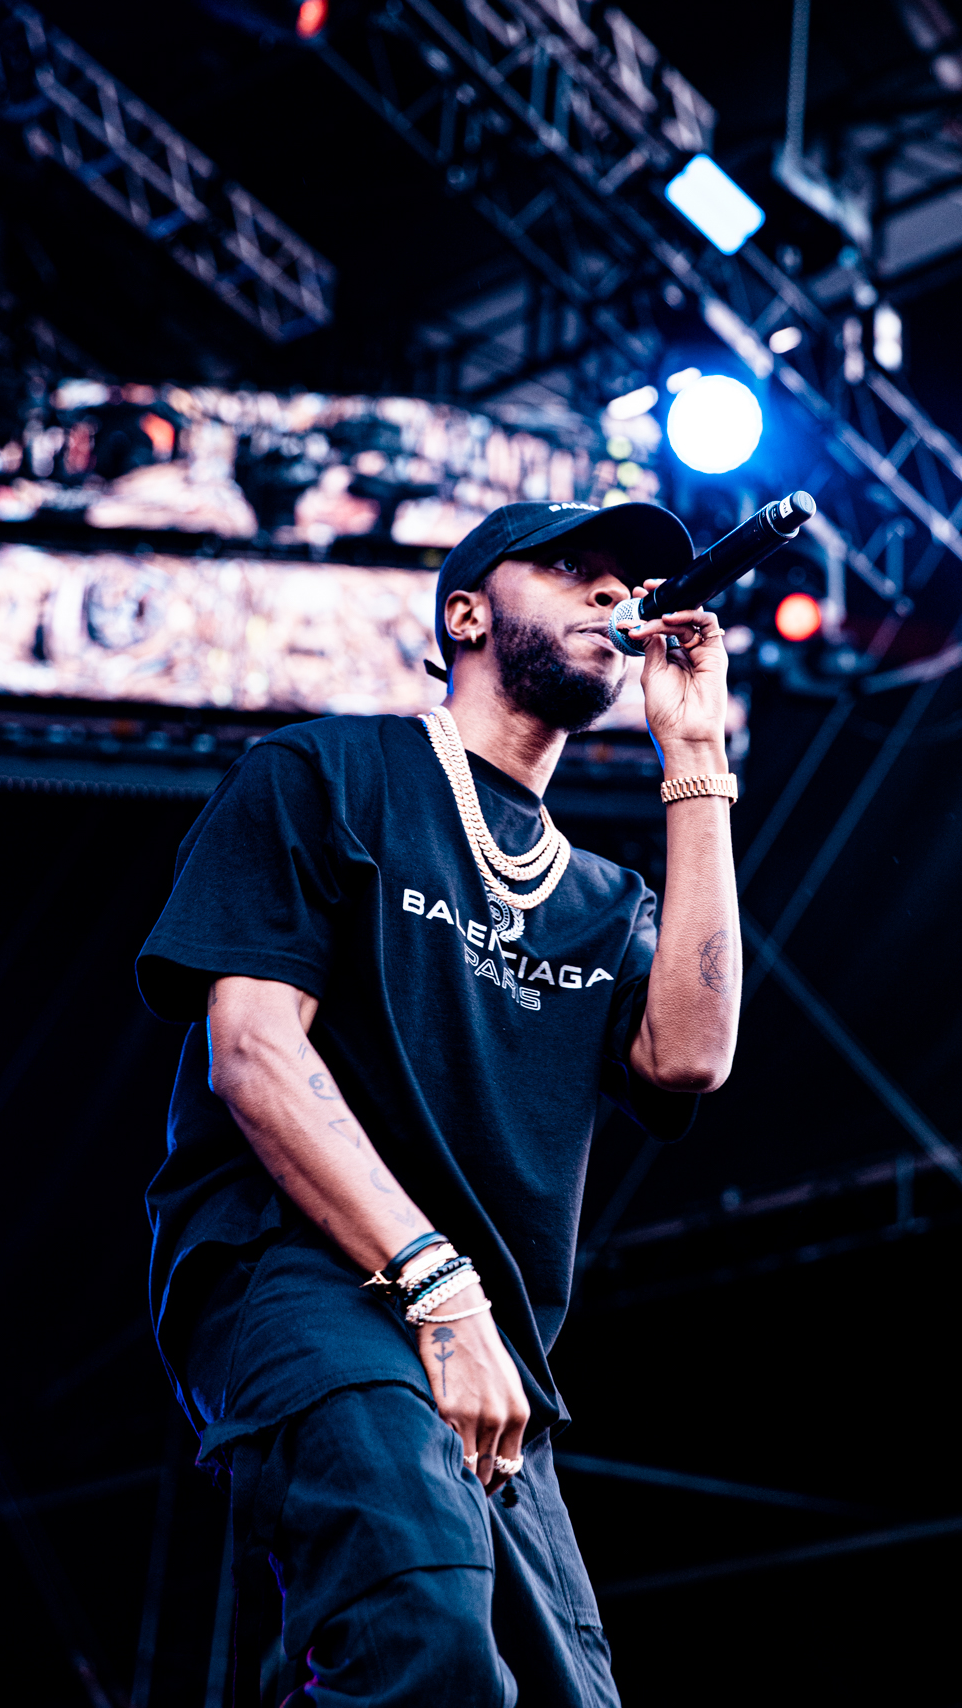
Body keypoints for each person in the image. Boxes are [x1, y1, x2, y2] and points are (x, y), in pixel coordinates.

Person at [136, 497, 743, 1707]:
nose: (610, 593)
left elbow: (690, 1057)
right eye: (568, 567)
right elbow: (252, 1053)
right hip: (303, 1276)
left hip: (489, 1348)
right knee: (424, 1640)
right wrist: (434, 1284)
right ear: (466, 614)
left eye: (622, 581)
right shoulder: (325, 773)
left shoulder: (605, 901)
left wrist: (694, 759)